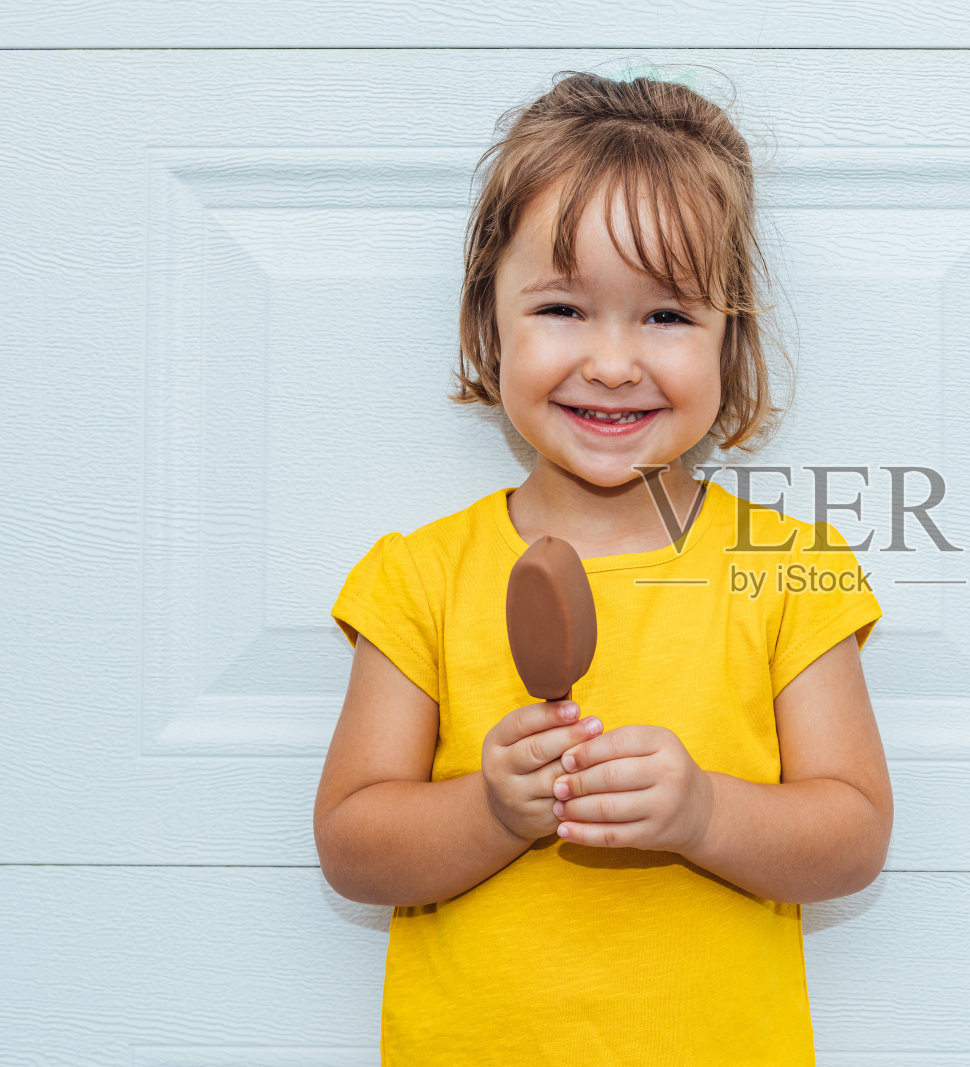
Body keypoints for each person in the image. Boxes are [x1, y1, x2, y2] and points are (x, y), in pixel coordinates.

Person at [313, 67, 891, 1065]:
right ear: (487, 324)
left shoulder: (791, 568)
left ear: (731, 344)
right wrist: (490, 806)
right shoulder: (420, 577)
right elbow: (353, 846)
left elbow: (851, 836)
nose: (616, 361)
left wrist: (705, 809)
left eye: (667, 316)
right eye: (564, 308)